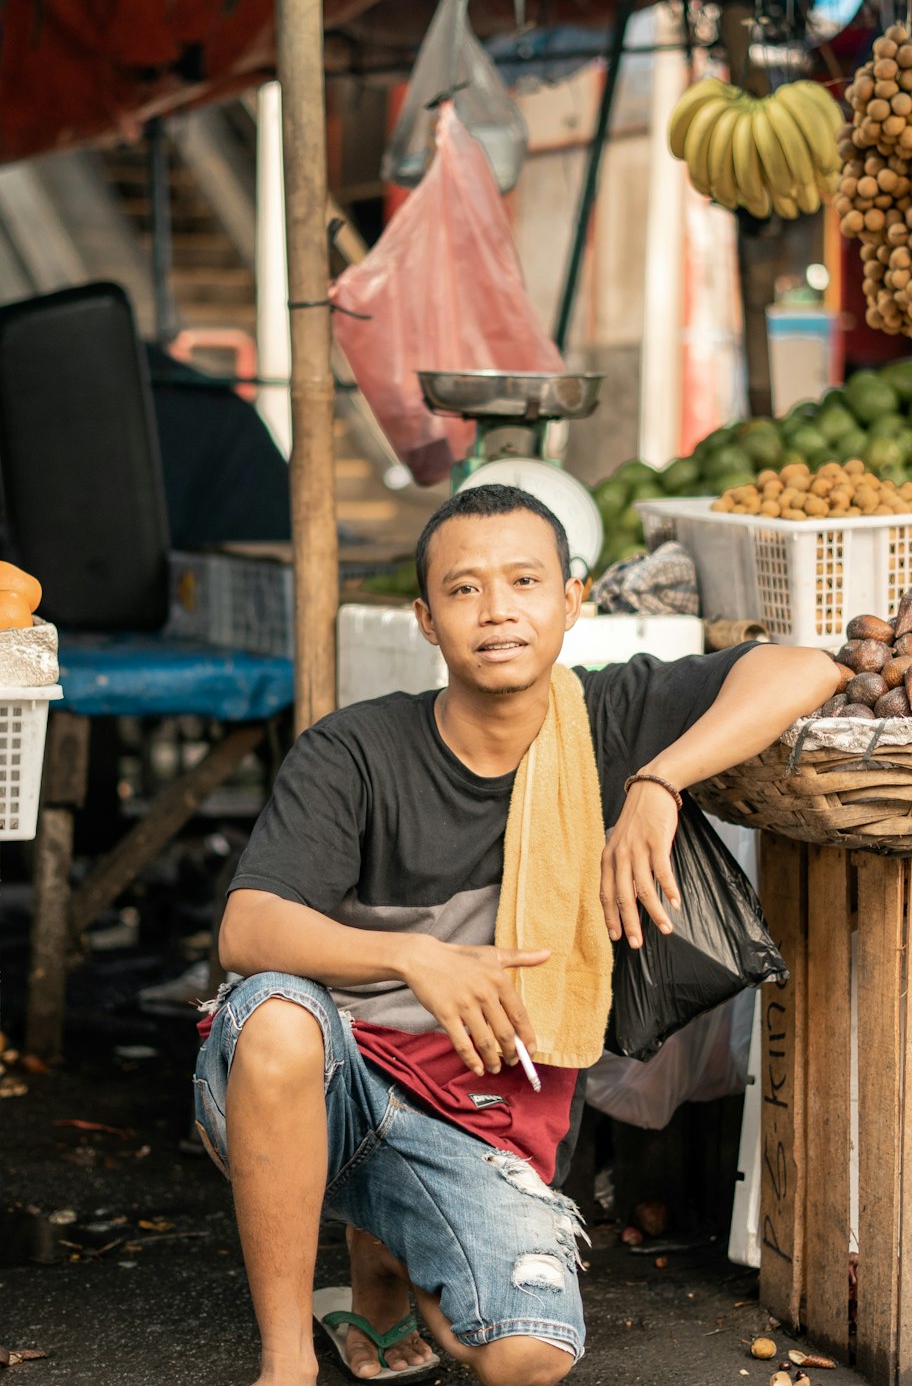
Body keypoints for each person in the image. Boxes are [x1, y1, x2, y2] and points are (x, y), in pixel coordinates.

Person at [194, 483, 838, 1386]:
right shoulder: (354, 751)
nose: (497, 610)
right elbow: (246, 927)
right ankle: (288, 1361)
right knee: (273, 1015)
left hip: (481, 1120)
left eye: (525, 580)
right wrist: (416, 957)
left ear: (573, 601)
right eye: (463, 590)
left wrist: (659, 783)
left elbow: (806, 667)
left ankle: (403, 1251)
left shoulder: (607, 722)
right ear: (425, 619)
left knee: (521, 1356)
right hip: (327, 1090)